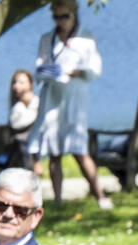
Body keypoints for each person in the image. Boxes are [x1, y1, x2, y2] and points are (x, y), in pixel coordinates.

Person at [30, 2, 110, 210]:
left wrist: (74, 71)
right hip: (52, 98)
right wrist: (48, 72)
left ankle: (99, 195)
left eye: (64, 17)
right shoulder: (47, 40)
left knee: (79, 149)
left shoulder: (86, 38)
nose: (61, 22)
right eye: (57, 18)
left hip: (75, 98)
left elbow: (95, 69)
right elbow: (39, 68)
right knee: (54, 150)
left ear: (73, 16)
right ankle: (57, 199)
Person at [7, 70, 39, 163]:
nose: (16, 86)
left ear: (31, 85)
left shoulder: (37, 102)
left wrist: (32, 103)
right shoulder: (17, 107)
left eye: (21, 83)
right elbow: (18, 124)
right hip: (20, 152)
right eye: (14, 82)